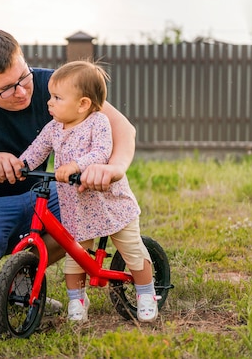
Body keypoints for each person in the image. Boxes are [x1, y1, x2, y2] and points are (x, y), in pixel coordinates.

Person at [0, 29, 137, 316]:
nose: (21, 92)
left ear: (22, 59)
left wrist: (114, 168)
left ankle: (23, 279)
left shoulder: (55, 85)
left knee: (87, 212)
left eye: (23, 77)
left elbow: (123, 128)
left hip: (33, 194)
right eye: (6, 88)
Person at [19, 60, 159, 323]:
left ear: (83, 104)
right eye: (50, 96)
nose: (49, 102)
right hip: (77, 207)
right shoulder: (53, 128)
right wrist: (22, 164)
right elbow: (37, 150)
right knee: (76, 256)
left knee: (131, 249)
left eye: (57, 98)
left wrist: (76, 165)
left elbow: (101, 152)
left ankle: (146, 293)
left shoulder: (99, 123)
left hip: (109, 202)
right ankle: (77, 301)